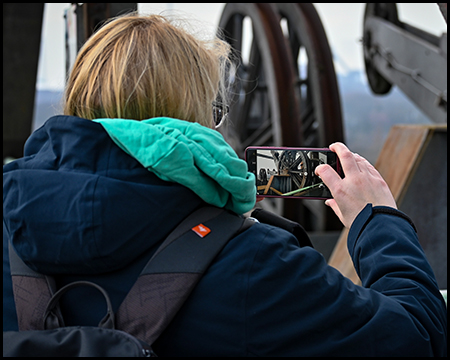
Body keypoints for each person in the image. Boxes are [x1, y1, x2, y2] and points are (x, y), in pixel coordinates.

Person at [3, 13, 447, 356]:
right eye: (215, 113)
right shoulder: (254, 266)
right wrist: (379, 221)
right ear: (195, 122)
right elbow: (417, 338)